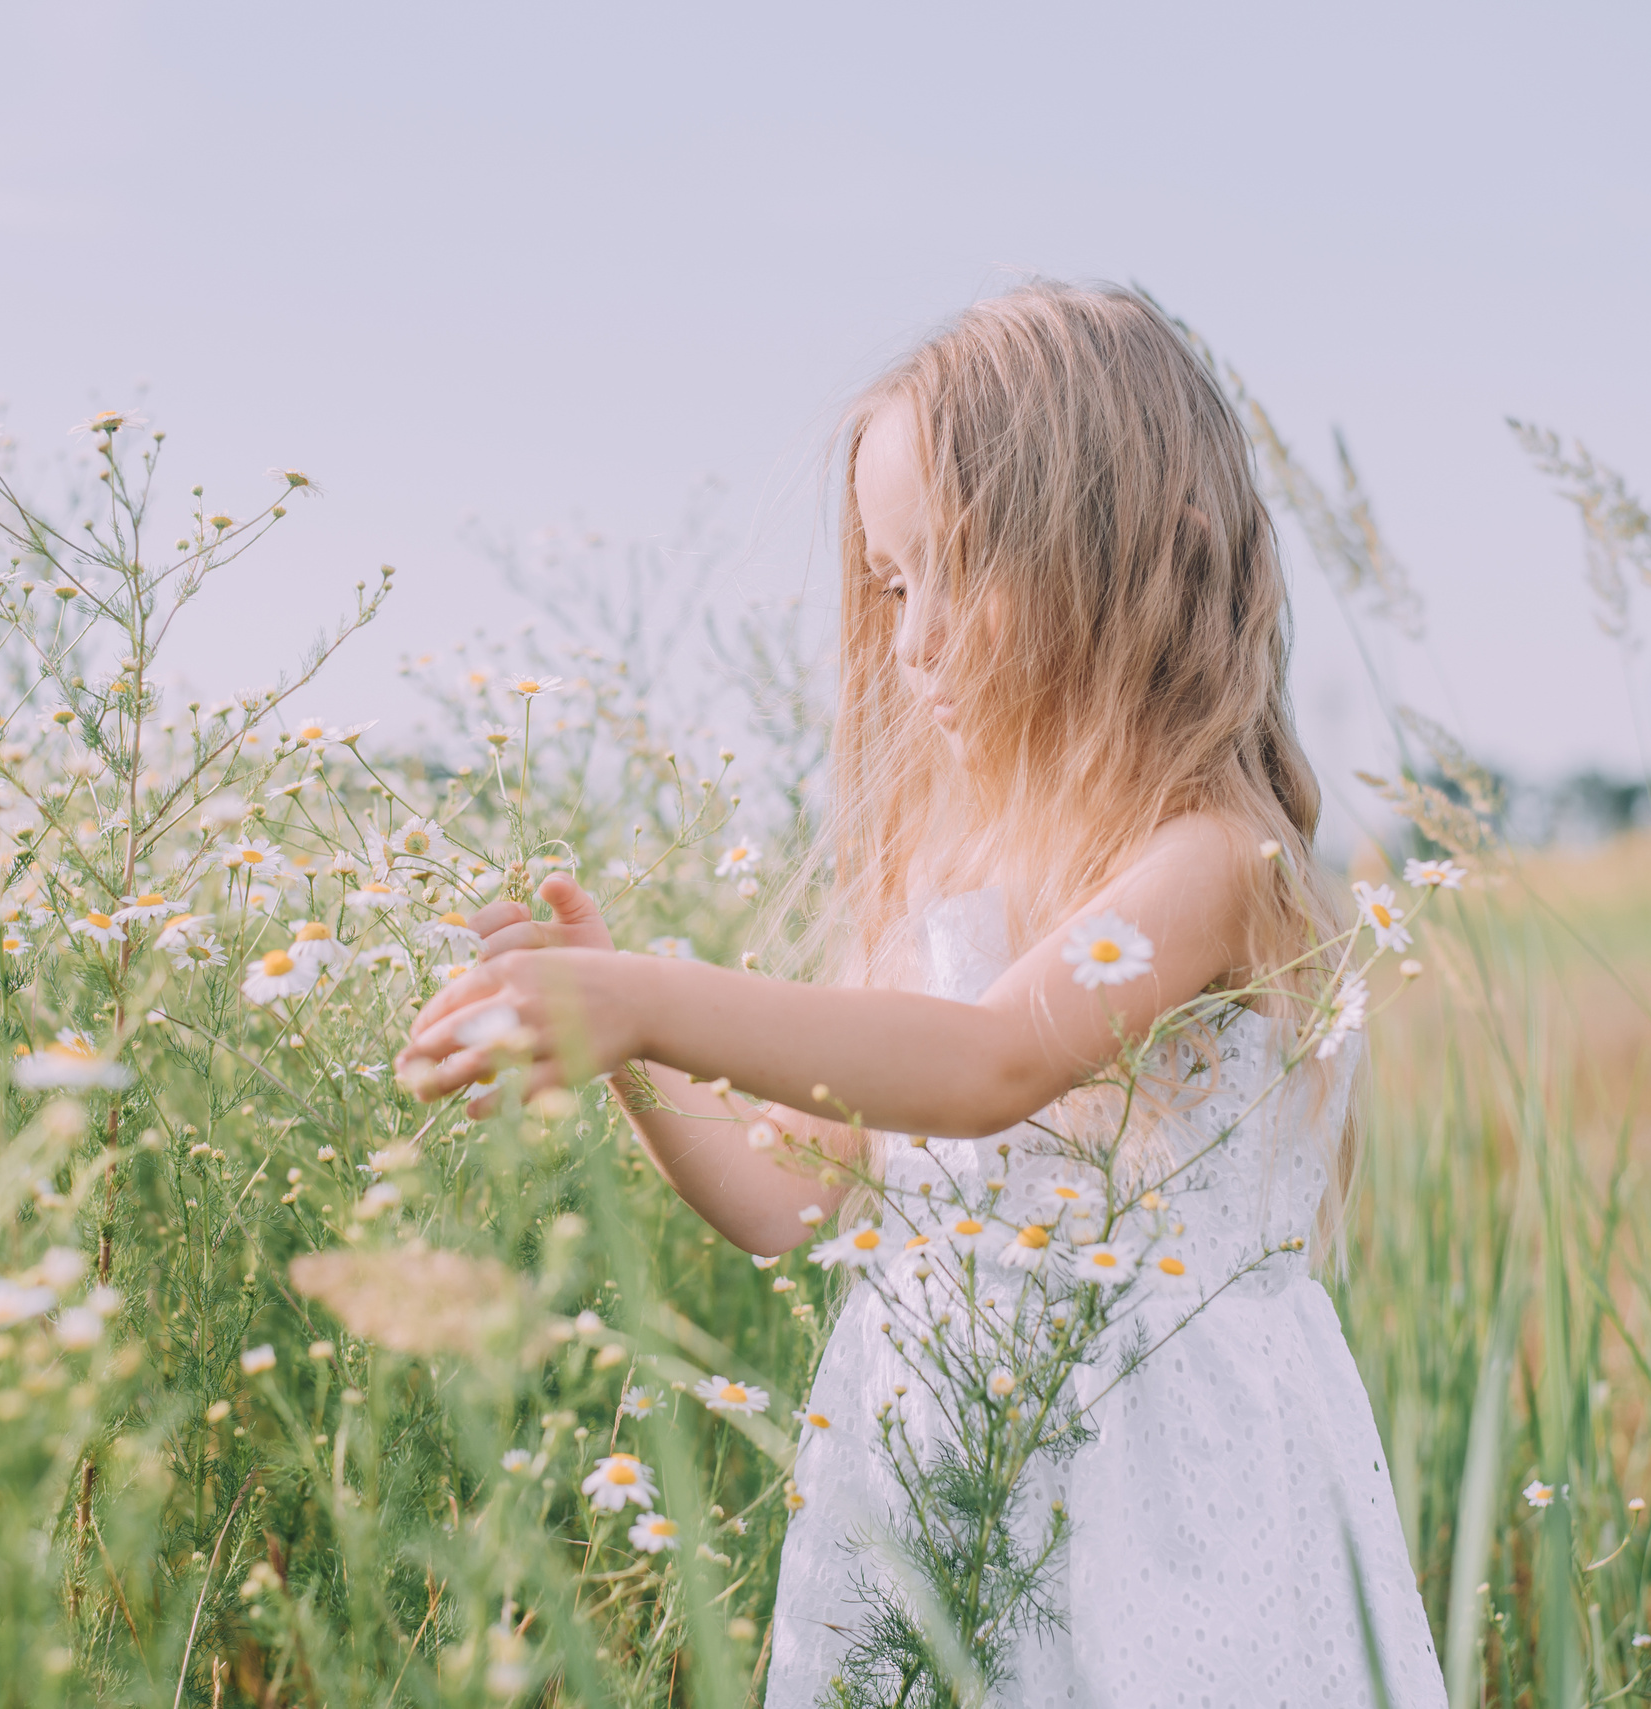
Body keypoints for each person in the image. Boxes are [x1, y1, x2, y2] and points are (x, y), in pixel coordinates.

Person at [398, 280, 1445, 1706]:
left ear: (1121, 552)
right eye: (893, 584)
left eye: (955, 568)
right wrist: (630, 1058)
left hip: (1172, 1504)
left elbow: (989, 1061)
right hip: (947, 1465)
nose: (912, 637)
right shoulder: (950, 879)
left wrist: (645, 993)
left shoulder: (1216, 859)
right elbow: (793, 1195)